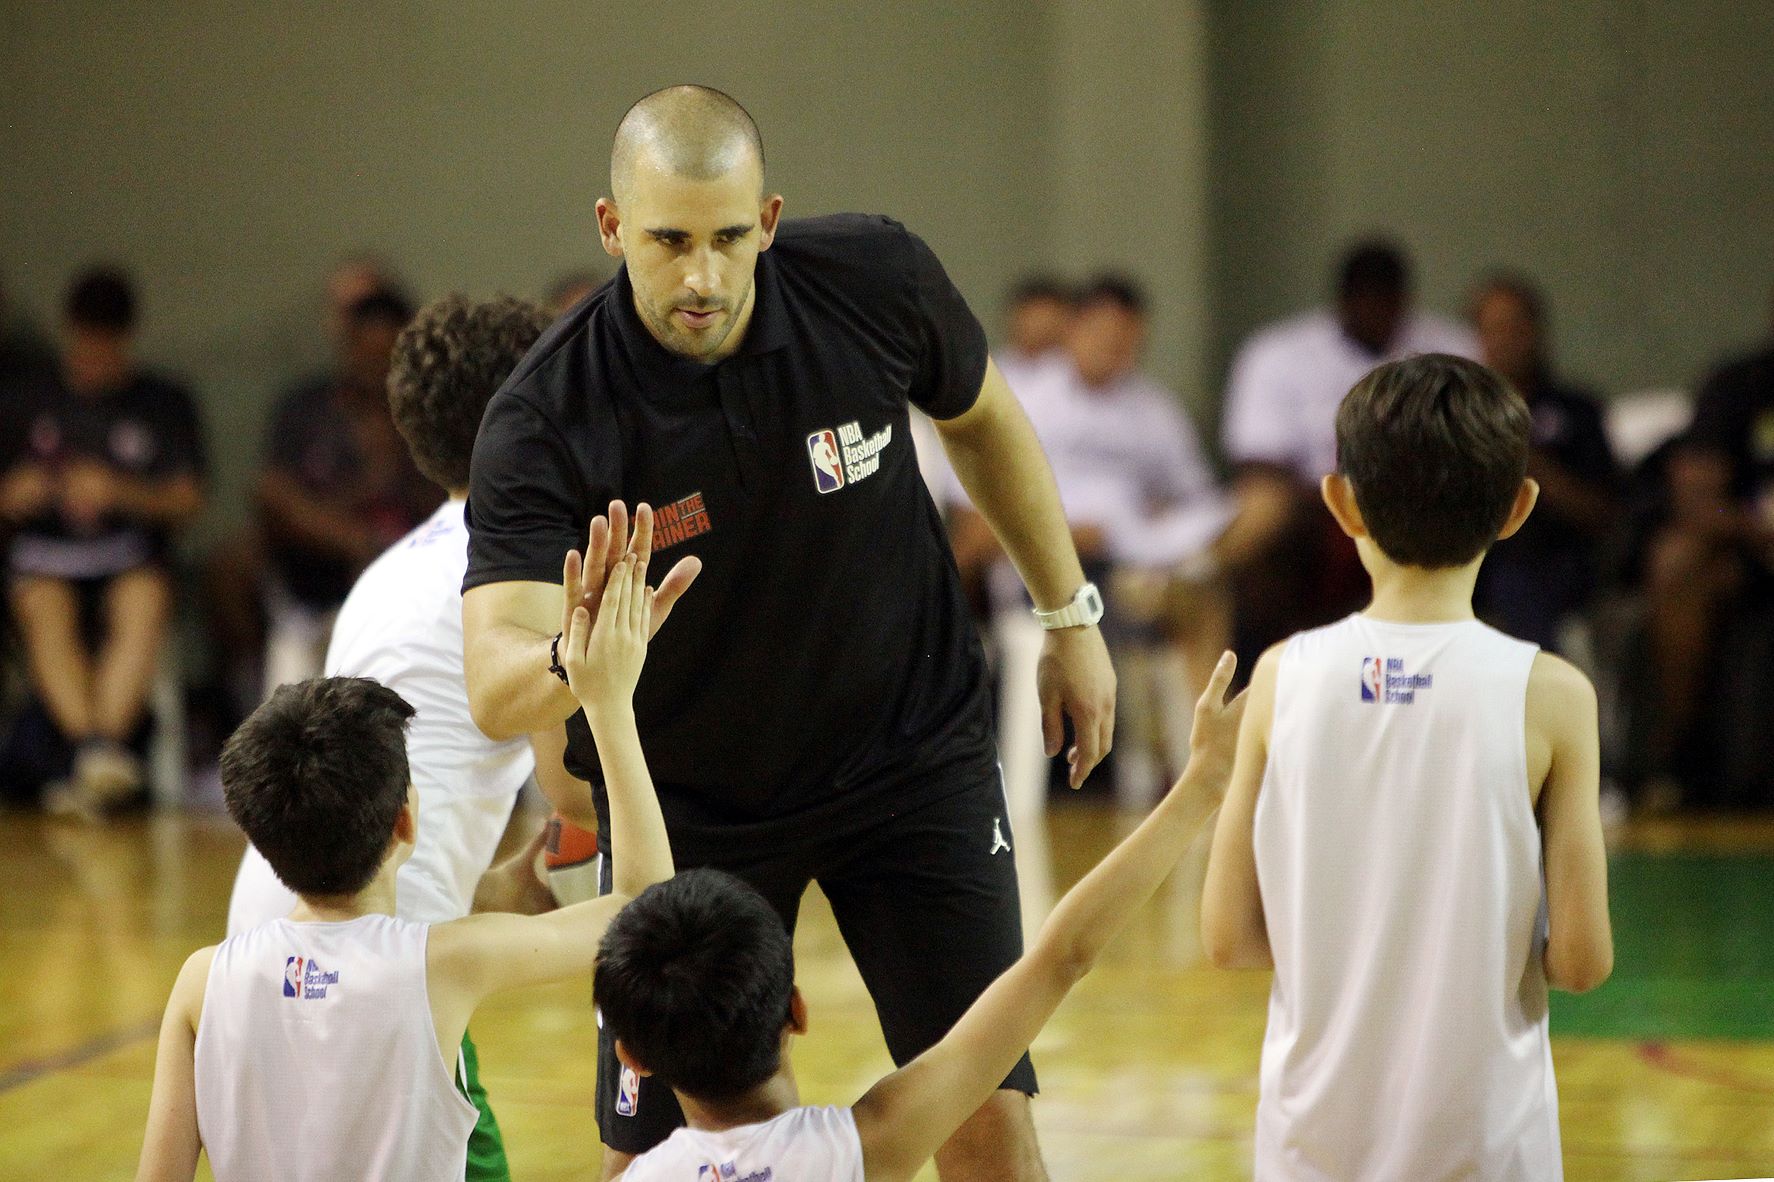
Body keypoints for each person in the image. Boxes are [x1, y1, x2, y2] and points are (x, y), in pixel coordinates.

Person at [461, 85, 1116, 1180]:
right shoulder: (546, 415)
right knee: (657, 1153)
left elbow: (984, 419)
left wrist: (1069, 617)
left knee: (984, 1114)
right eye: (668, 242)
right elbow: (493, 681)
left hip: (911, 762)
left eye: (726, 239)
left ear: (768, 219)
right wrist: (578, 658)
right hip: (691, 815)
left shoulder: (873, 282)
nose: (702, 277)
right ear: (612, 228)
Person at [1201, 354, 1614, 1178]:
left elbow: (1230, 939)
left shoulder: (1279, 677)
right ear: (1518, 508)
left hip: (1310, 1147)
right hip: (1488, 1148)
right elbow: (1580, 960)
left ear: (1340, 502)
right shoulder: (1554, 695)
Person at [601, 652, 1244, 1182]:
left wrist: (606, 708)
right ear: (795, 1011)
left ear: (634, 1057)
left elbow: (635, 885)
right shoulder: (861, 1148)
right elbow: (1063, 955)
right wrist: (1203, 785)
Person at [134, 552, 673, 1182]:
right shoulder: (442, 964)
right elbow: (644, 902)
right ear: (406, 824)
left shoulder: (202, 982)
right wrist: (608, 699)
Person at [224, 294, 601, 1181]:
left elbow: (408, 798)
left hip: (269, 927)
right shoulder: (520, 570)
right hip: (378, 954)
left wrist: (515, 876)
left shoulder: (389, 573)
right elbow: (575, 794)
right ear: (533, 418)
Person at [947, 276, 1233, 808]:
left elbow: (1197, 501)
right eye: (1103, 337)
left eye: (1127, 344)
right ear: (1072, 330)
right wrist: (1071, 530)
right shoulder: (1020, 398)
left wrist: (1154, 523)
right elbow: (973, 512)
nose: (1114, 353)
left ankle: (1204, 768)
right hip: (1043, 566)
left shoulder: (1155, 413)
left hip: (1136, 563)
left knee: (1200, 594)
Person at [0, 267, 206, 814]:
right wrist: (20, 492)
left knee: (144, 597)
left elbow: (188, 498)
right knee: (43, 604)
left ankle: (98, 752)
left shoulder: (161, 401)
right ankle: (95, 752)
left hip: (126, 557)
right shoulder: (25, 400)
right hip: (45, 560)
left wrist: (119, 493)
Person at [1217, 241, 1478, 663]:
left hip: (1422, 499)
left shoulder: (1450, 350)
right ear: (1342, 300)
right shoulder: (1278, 352)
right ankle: (1261, 664)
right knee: (1261, 514)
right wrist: (1339, 500)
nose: (1375, 311)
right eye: (1365, 299)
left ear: (1404, 301)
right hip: (1313, 506)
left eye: (1386, 300)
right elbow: (1256, 462)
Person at [256, 287, 439, 693]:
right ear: (346, 347)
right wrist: (356, 529)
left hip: (418, 595)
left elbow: (454, 501)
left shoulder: (429, 411)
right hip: (318, 595)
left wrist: (400, 462)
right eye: (365, 354)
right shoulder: (306, 410)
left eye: (385, 356)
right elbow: (274, 495)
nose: (374, 369)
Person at [1638, 295, 1774, 804]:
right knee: (1677, 561)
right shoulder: (1738, 386)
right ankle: (1675, 757)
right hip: (1747, 550)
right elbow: (1695, 497)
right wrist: (1754, 532)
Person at [1471, 275, 1620, 650]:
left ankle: (1533, 698)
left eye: (1516, 326)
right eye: (1493, 329)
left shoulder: (1576, 410)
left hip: (1555, 557)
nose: (1506, 339)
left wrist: (1527, 463)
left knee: (1520, 576)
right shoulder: (1459, 414)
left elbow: (1604, 513)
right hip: (1472, 558)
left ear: (1537, 331)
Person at [994, 275, 1075, 391]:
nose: (1039, 326)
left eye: (1046, 316)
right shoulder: (992, 369)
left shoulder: (1073, 372)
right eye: (1033, 317)